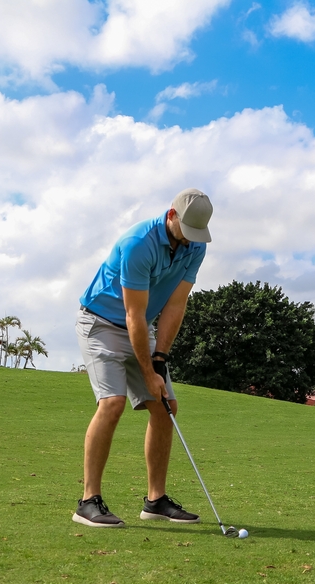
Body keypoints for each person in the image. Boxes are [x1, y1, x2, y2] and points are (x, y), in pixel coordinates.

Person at [73, 188, 214, 527]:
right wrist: (148, 371)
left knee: (166, 406)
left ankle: (155, 501)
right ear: (171, 215)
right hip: (102, 322)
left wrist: (160, 358)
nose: (189, 241)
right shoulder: (138, 243)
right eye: (185, 233)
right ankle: (88, 501)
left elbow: (175, 304)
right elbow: (133, 314)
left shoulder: (195, 247)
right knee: (113, 402)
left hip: (140, 326)